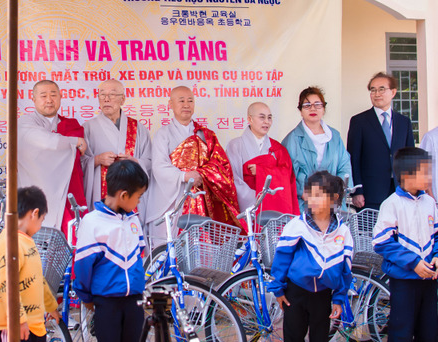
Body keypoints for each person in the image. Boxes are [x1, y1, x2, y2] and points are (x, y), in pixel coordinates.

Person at [145, 86, 243, 242]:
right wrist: (184, 176)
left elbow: (221, 165)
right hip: (173, 199)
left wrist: (202, 174)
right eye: (181, 100)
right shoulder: (163, 134)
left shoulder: (205, 135)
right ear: (170, 104)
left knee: (201, 247)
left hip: (202, 197)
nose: (186, 105)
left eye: (190, 101)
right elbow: (159, 166)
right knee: (170, 245)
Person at [372, 147, 438, 341]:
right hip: (404, 281)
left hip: (429, 280)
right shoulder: (392, 204)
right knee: (401, 331)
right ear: (406, 175)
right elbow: (382, 241)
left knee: (429, 330)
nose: (429, 176)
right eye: (424, 171)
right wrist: (413, 263)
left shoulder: (429, 202)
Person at [266, 171, 353, 342]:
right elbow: (282, 258)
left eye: (319, 195)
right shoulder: (297, 226)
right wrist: (278, 288)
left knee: (320, 337)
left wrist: (339, 298)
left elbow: (346, 269)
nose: (312, 200)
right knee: (293, 336)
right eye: (310, 194)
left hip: (323, 294)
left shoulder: (343, 231)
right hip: (295, 292)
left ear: (334, 198)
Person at [73, 160, 148, 342]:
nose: (139, 201)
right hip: (106, 304)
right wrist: (86, 297)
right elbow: (82, 266)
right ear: (123, 195)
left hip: (135, 301)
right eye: (138, 196)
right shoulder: (92, 222)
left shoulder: (133, 220)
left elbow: (140, 254)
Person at [18, 80, 88, 240]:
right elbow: (46, 141)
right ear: (34, 99)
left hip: (68, 195)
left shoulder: (71, 125)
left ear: (61, 97)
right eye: (43, 96)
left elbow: (79, 162)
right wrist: (73, 142)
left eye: (53, 95)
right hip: (36, 198)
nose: (49, 100)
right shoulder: (25, 124)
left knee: (73, 243)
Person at [0, 186, 60, 342]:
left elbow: (37, 280)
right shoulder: (9, 243)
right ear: (34, 213)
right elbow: (7, 286)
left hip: (33, 326)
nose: (41, 226)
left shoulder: (27, 242)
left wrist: (51, 306)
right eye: (42, 220)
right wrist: (19, 320)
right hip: (14, 328)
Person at [81, 79, 152, 217]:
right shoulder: (87, 128)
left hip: (131, 190)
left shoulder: (138, 128)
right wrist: (97, 160)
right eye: (102, 95)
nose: (106, 99)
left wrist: (135, 162)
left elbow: (150, 161)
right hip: (102, 191)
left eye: (112, 95)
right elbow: (80, 163)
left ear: (123, 99)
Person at [347, 72, 415, 210]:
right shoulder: (359, 121)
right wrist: (357, 191)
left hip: (400, 192)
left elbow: (410, 158)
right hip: (371, 194)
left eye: (381, 89)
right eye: (373, 90)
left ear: (393, 92)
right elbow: (354, 159)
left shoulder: (404, 122)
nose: (377, 94)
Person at [282, 86, 351, 213]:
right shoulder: (292, 139)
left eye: (317, 104)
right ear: (300, 110)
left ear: (324, 108)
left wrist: (337, 192)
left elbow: (344, 166)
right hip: (305, 203)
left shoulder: (334, 136)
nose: (312, 108)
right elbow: (286, 173)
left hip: (332, 202)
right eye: (307, 105)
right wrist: (303, 192)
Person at [226, 102, 299, 214]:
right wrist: (256, 200)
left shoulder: (278, 149)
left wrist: (261, 171)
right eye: (262, 117)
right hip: (247, 208)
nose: (267, 121)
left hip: (273, 207)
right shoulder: (235, 145)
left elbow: (287, 178)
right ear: (250, 119)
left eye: (269, 118)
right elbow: (232, 179)